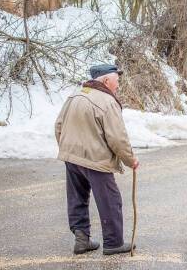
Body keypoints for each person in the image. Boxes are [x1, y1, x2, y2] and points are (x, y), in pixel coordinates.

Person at [55, 64, 139, 255]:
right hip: (95, 159)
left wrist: (67, 148)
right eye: (117, 81)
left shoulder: (75, 96)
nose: (118, 85)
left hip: (72, 156)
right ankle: (113, 243)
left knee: (77, 198)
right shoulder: (107, 102)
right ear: (106, 80)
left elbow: (58, 125)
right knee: (110, 200)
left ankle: (82, 240)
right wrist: (130, 159)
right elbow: (117, 138)